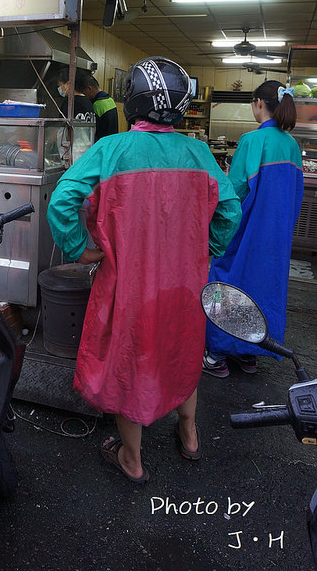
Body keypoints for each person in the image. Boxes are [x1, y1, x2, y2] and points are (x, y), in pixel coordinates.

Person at [47, 57, 241, 483]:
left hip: (128, 285)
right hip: (185, 285)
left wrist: (78, 249)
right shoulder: (198, 152)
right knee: (184, 347)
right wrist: (205, 250)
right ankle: (189, 434)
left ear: (132, 101)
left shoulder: (110, 150)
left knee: (130, 361)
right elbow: (229, 209)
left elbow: (61, 201)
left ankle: (132, 460)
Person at [203, 81, 303, 378]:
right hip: (276, 236)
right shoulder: (291, 145)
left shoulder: (251, 141)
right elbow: (295, 196)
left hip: (246, 231)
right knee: (263, 288)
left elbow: (234, 193)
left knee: (227, 284)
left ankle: (218, 353)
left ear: (259, 103)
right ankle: (250, 352)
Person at [78, 74, 119, 140]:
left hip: (102, 144)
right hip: (112, 142)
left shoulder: (97, 105)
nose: (84, 95)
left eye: (84, 92)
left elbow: (92, 131)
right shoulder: (110, 100)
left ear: (89, 88)